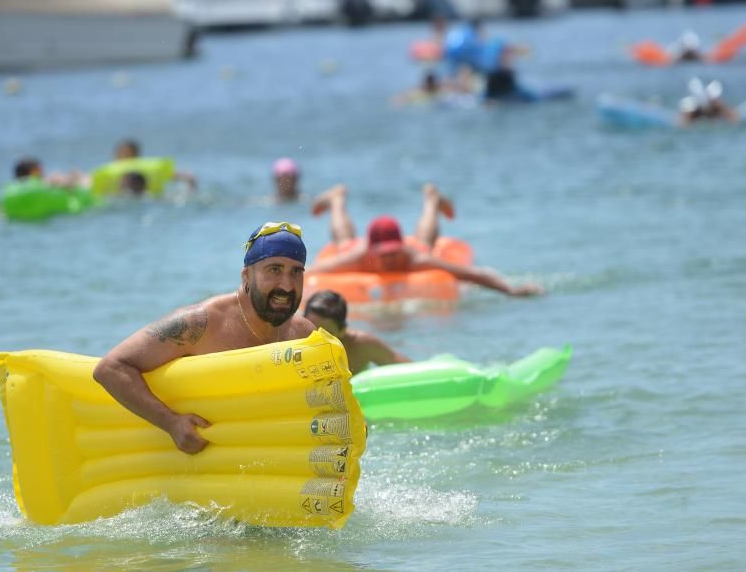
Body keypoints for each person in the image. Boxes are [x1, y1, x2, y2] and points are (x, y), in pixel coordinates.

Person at [93, 222, 316, 454]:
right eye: (274, 270)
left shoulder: (303, 334)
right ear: (246, 276)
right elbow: (110, 368)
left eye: (296, 271)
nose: (287, 285)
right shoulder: (200, 324)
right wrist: (171, 423)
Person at [307, 184, 544, 297]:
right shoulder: (357, 258)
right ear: (372, 251)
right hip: (354, 249)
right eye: (383, 255)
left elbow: (469, 274)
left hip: (417, 249)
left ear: (400, 247)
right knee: (342, 243)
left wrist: (510, 290)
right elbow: (311, 272)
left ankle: (431, 200)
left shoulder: (414, 258)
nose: (389, 259)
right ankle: (337, 199)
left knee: (425, 243)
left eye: (393, 252)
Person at [304, 290, 410, 374]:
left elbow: (406, 370)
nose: (316, 340)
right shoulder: (293, 342)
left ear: (342, 331)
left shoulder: (361, 346)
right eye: (311, 330)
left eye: (326, 334)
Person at [114, 139, 198, 192]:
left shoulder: (148, 170)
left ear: (136, 156)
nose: (123, 158)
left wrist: (190, 193)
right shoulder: (110, 174)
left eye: (127, 155)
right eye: (120, 155)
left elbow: (189, 177)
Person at [12, 158, 85, 187]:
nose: (43, 172)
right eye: (39, 169)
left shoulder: (13, 189)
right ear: (33, 172)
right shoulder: (41, 183)